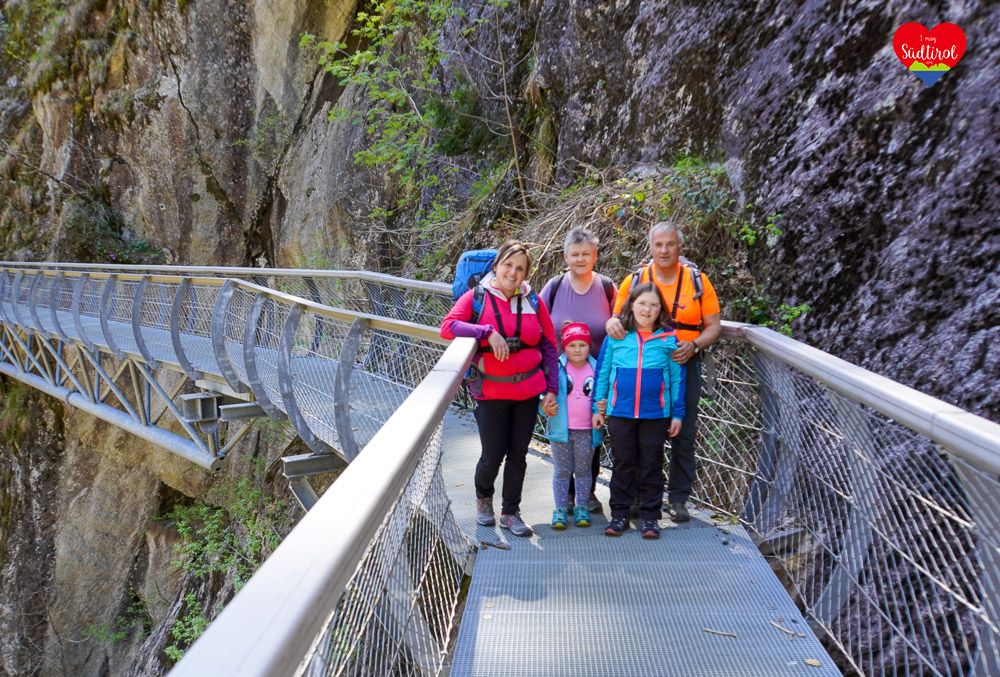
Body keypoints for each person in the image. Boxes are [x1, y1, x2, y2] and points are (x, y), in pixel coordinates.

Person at [604, 222, 721, 523]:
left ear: (680, 248)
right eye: (659, 245)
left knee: (683, 431)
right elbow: (617, 320)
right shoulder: (636, 280)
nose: (664, 250)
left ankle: (678, 498)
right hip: (641, 366)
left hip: (684, 363)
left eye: (670, 244)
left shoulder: (697, 282)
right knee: (639, 431)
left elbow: (714, 326)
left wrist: (694, 345)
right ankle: (638, 499)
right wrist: (611, 325)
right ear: (651, 247)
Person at [441, 241, 559, 537]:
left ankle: (510, 512)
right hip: (491, 392)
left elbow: (548, 344)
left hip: (528, 392)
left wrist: (552, 389)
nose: (513, 272)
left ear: (526, 273)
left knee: (518, 454)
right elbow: (448, 327)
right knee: (492, 455)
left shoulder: (533, 300)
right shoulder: (477, 297)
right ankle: (484, 500)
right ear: (496, 266)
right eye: (508, 265)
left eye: (520, 268)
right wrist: (486, 331)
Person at [592, 283, 685, 539]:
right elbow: (603, 372)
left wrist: (678, 413)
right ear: (631, 305)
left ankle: (651, 518)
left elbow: (677, 379)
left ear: (661, 310)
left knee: (652, 465)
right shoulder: (618, 336)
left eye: (654, 305)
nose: (648, 309)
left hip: (656, 414)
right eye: (642, 303)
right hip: (620, 412)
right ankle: (619, 514)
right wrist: (597, 405)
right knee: (623, 463)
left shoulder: (668, 339)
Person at [539, 226, 616, 513]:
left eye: (586, 254)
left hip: (597, 377)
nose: (580, 259)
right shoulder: (555, 286)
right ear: (565, 256)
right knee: (564, 432)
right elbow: (537, 325)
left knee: (591, 433)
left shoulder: (607, 287)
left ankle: (587, 493)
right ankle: (566, 495)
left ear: (595, 255)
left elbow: (622, 322)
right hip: (560, 377)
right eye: (575, 254)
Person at [544, 322, 603, 529]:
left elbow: (603, 395)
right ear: (564, 347)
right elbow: (545, 396)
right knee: (562, 470)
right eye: (572, 345)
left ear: (590, 346)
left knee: (584, 470)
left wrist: (601, 408)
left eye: (582, 345)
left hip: (587, 430)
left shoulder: (597, 368)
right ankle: (560, 509)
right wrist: (546, 408)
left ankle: (582, 507)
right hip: (562, 430)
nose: (577, 350)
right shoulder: (557, 368)